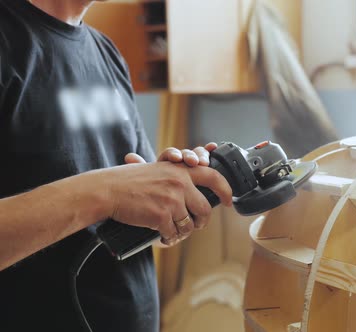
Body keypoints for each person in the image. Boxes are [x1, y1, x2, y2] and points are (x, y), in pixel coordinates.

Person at [0, 0, 233, 331]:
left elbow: (133, 202)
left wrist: (175, 191)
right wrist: (106, 192)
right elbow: (113, 191)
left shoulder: (105, 51)